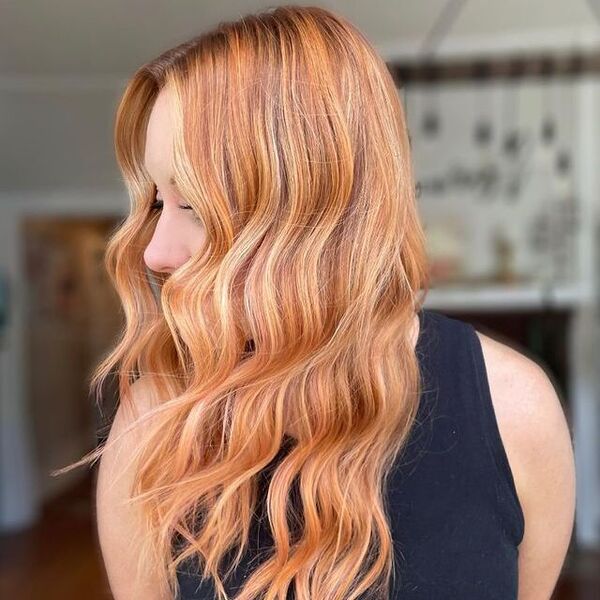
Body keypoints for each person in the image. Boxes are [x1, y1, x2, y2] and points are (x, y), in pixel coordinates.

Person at [57, 5, 575, 599]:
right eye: (155, 203)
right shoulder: (156, 419)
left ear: (313, 209)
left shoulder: (514, 410)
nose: (154, 252)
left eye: (194, 204)